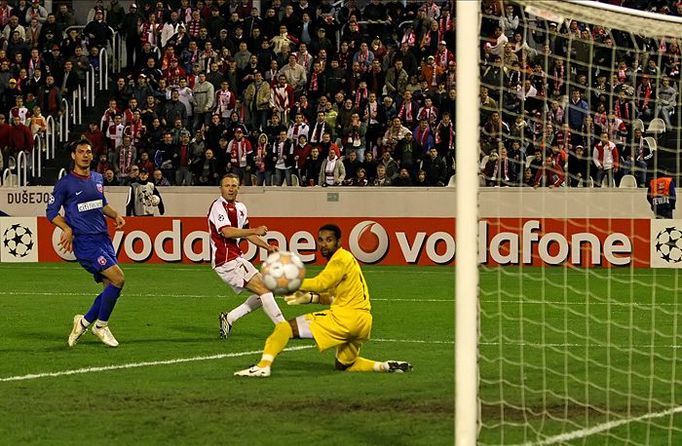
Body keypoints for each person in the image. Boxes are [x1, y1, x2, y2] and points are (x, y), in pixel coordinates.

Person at [235, 224, 412, 377]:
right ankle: (384, 366)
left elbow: (321, 283)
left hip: (344, 319)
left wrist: (288, 282)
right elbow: (335, 296)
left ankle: (262, 367)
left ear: (339, 242)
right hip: (363, 323)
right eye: (321, 240)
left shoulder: (339, 259)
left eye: (329, 240)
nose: (324, 244)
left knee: (284, 328)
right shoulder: (347, 260)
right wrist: (311, 298)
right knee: (345, 365)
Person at [46, 139, 126, 348]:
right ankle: (100, 326)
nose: (85, 155)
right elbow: (51, 212)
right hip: (85, 242)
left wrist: (115, 214)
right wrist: (67, 228)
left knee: (110, 286)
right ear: (73, 156)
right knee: (118, 278)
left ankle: (82, 322)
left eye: (88, 152)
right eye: (81, 152)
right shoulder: (65, 183)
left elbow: (101, 204)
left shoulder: (98, 178)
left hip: (103, 238)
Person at [210, 173, 286, 338]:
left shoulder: (241, 208)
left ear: (238, 188)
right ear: (221, 189)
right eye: (227, 185)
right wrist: (254, 229)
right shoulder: (218, 206)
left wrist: (267, 246)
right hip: (226, 259)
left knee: (267, 289)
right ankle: (284, 329)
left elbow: (247, 234)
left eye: (234, 186)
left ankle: (229, 318)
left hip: (236, 257)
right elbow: (227, 232)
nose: (230, 189)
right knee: (264, 289)